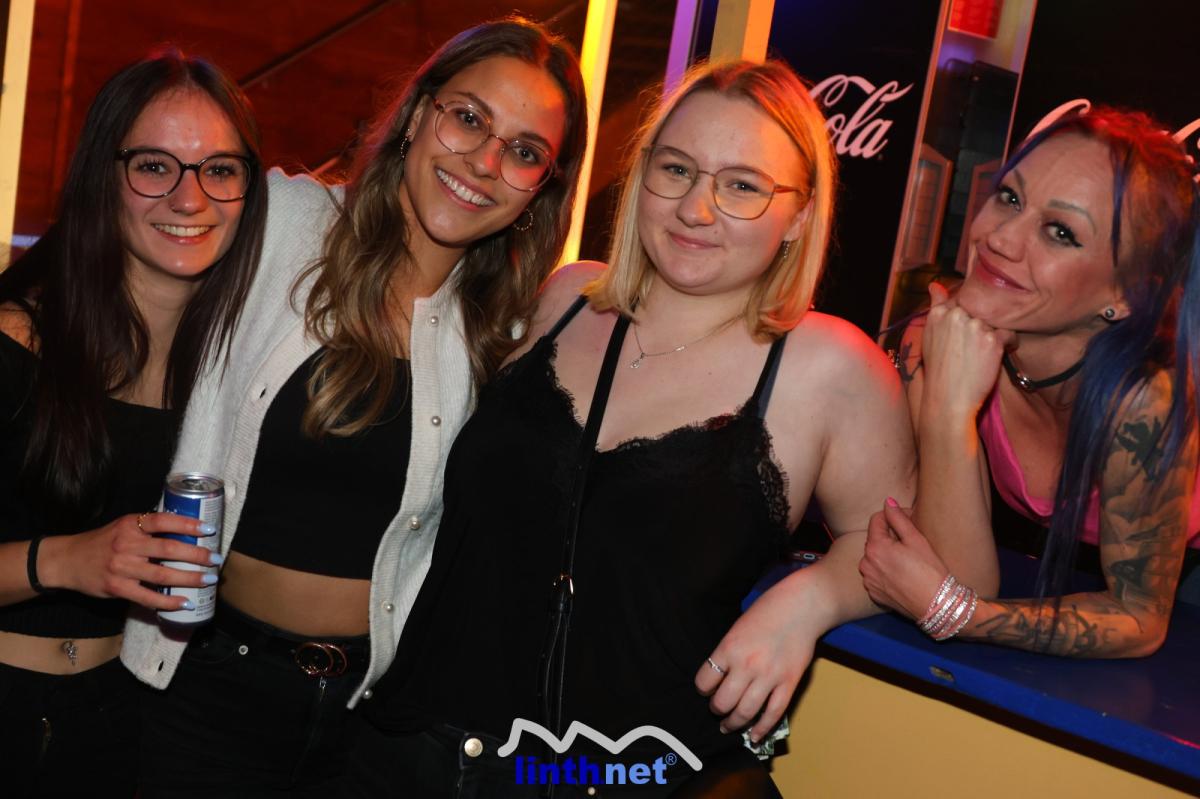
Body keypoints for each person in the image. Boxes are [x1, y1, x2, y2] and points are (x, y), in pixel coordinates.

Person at [348, 59, 917, 797]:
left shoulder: (829, 366)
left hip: (634, 772)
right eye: (676, 169)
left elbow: (908, 550)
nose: (696, 209)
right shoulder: (564, 300)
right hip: (414, 752)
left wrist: (808, 601)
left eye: (743, 186)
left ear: (801, 215)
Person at [123, 17, 588, 796]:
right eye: (468, 118)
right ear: (416, 116)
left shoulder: (506, 330)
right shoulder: (284, 222)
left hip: (369, 726)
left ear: (542, 187)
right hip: (204, 688)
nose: (485, 161)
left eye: (525, 151)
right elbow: (124, 256)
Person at [0, 49, 266, 797]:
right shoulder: (18, 339)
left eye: (219, 169)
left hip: (124, 723)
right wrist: (65, 560)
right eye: (154, 166)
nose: (190, 197)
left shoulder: (226, 375)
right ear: (103, 178)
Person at [860, 107, 1200, 656]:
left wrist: (967, 618)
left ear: (1125, 294)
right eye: (1010, 198)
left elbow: (1139, 617)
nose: (1001, 238)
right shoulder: (943, 336)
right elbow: (952, 574)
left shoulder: (1143, 399)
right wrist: (949, 409)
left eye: (1060, 232)